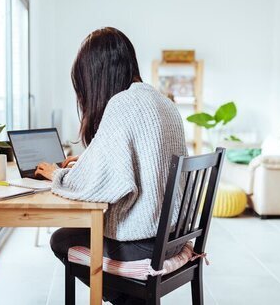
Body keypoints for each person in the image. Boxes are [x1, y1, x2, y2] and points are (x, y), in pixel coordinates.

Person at [35, 27, 187, 304]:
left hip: (144, 245)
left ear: (98, 74)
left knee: (60, 240)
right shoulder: (162, 102)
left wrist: (58, 174)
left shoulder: (123, 103)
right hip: (172, 238)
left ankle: (132, 298)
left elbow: (97, 186)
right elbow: (144, 160)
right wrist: (89, 160)